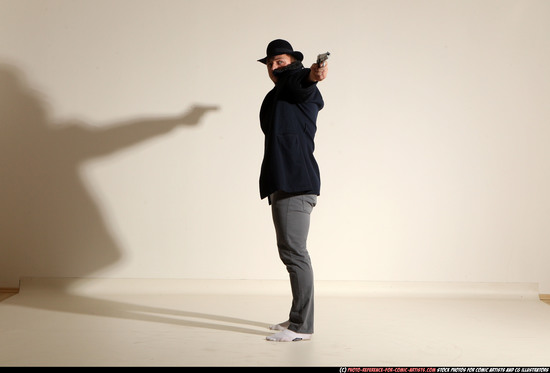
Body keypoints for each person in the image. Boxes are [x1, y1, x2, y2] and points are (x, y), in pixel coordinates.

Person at [257, 39, 328, 342]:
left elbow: (302, 83)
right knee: (290, 252)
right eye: (271, 63)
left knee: (296, 254)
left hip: (296, 182)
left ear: (294, 62)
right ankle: (295, 319)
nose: (275, 67)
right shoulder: (277, 96)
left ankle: (303, 327)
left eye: (280, 61)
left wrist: (312, 73)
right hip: (283, 182)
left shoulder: (297, 83)